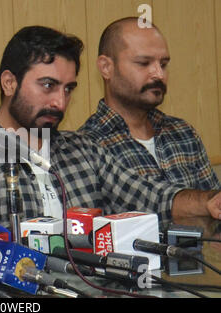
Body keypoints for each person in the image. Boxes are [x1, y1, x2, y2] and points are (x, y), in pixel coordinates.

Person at [0, 25, 221, 230]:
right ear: (9, 83)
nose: (60, 102)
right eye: (48, 85)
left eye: (68, 89)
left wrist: (209, 202)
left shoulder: (83, 150)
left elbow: (151, 198)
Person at [78, 17, 220, 190]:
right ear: (106, 67)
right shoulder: (87, 146)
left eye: (163, 64)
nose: (159, 74)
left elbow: (214, 207)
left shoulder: (183, 133)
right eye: (144, 63)